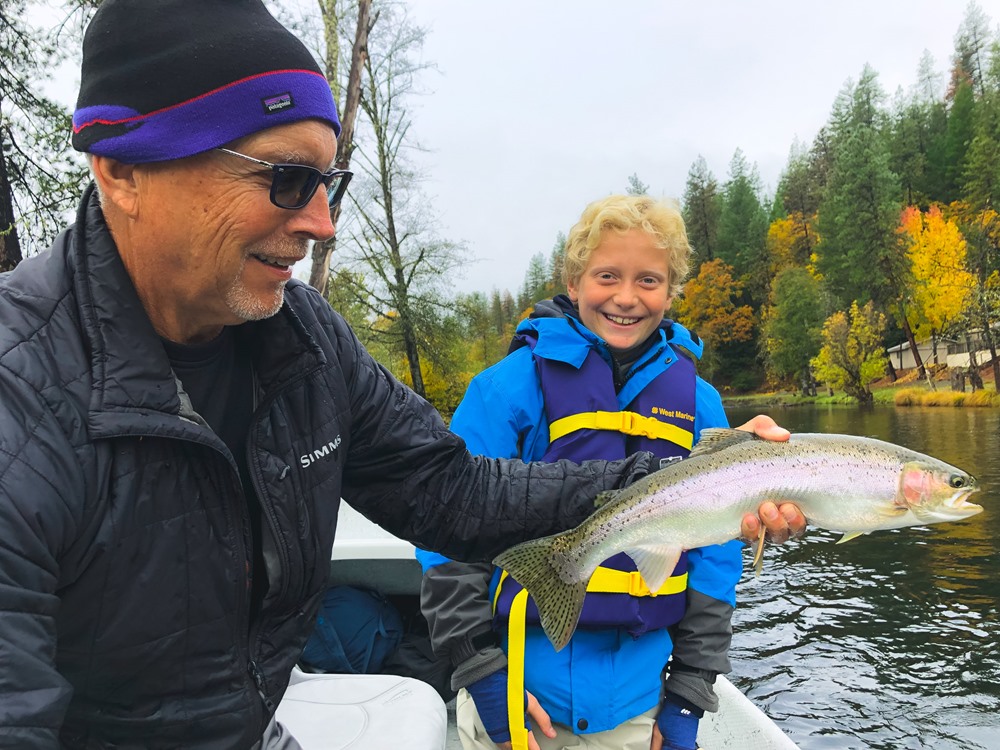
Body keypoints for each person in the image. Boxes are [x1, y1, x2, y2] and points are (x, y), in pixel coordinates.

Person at [0, 2, 803, 747]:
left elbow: (452, 492)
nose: (321, 223)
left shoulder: (304, 340)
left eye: (329, 182)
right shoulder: (20, 400)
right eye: (286, 179)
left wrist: (694, 480)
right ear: (123, 170)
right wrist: (485, 668)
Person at [417, 195, 794, 750]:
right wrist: (485, 678)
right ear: (574, 282)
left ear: (670, 292)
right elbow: (444, 530)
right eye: (607, 276)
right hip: (521, 690)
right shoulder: (505, 389)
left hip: (638, 706)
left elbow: (716, 560)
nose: (626, 297)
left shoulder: (702, 406)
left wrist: (688, 695)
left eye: (648, 280)